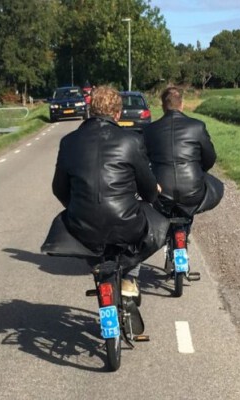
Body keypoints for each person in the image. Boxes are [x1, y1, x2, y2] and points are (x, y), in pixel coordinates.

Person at [49, 85, 167, 297]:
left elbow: (59, 188)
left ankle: (98, 268)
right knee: (154, 222)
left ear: (90, 110)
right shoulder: (131, 140)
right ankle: (130, 276)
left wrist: (78, 207)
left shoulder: (68, 142)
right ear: (118, 113)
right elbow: (148, 189)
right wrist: (152, 195)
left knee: (91, 243)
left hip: (83, 225)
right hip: (126, 223)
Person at [142, 86, 224, 228]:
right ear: (182, 104)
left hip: (161, 191)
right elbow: (210, 158)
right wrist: (199, 170)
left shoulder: (149, 130)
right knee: (217, 184)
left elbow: (143, 160)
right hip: (193, 191)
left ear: (163, 106)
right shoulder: (197, 126)